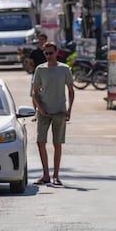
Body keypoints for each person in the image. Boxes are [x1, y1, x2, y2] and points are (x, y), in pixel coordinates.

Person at [32, 42, 74, 187]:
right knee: (40, 142)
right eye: (46, 53)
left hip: (59, 111)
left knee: (57, 144)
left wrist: (69, 109)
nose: (48, 56)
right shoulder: (40, 69)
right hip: (44, 111)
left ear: (57, 53)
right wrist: (39, 108)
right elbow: (35, 93)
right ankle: (46, 175)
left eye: (51, 53)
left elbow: (71, 91)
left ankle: (56, 176)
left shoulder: (64, 69)